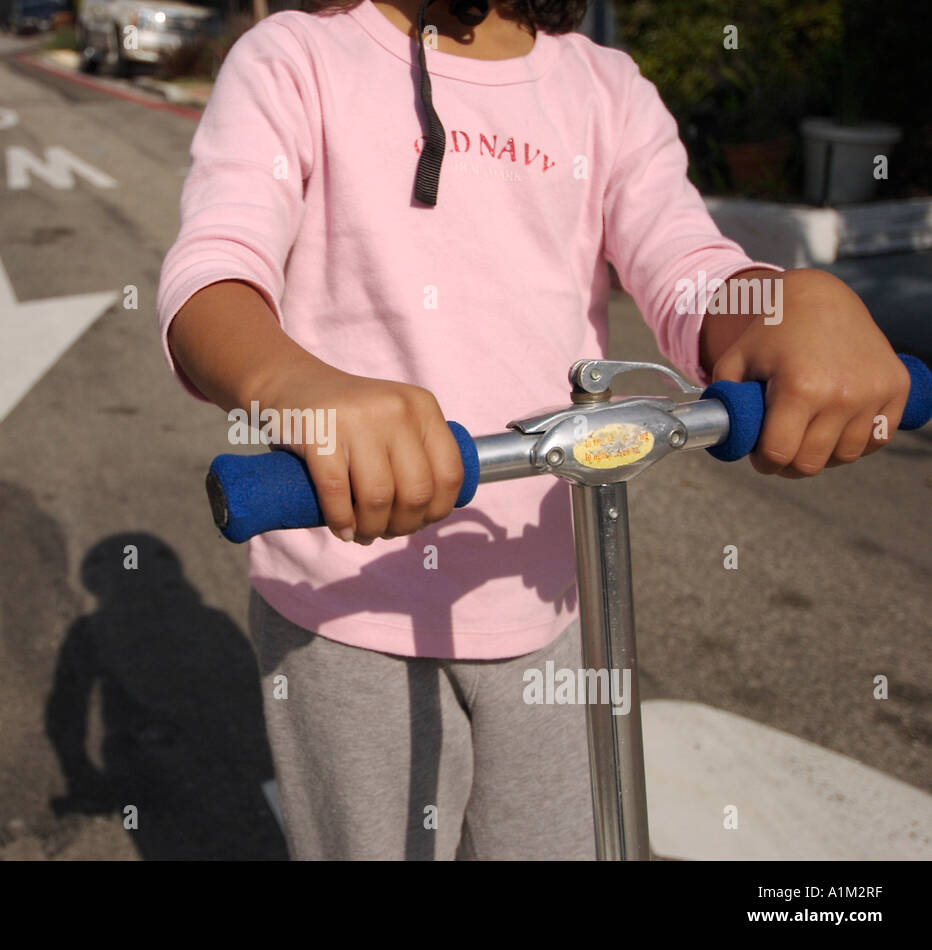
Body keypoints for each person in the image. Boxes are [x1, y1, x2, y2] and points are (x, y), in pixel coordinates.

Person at [154, 0, 911, 860]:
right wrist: (287, 382)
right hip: (346, 596)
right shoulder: (295, 58)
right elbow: (216, 269)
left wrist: (782, 305)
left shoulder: (605, 88)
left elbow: (687, 268)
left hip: (552, 589)